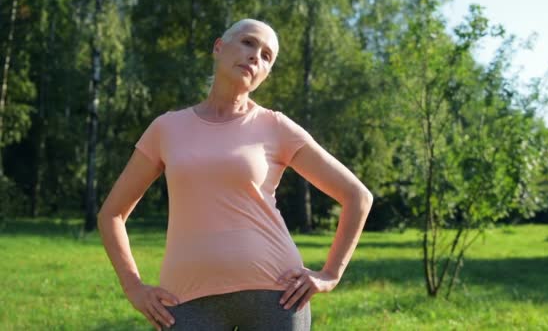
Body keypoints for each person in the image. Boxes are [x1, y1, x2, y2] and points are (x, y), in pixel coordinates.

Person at [97, 18, 373, 331]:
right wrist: (134, 287)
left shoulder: (275, 126)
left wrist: (330, 274)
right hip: (185, 301)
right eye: (248, 43)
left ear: (265, 74)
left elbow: (358, 197)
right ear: (218, 47)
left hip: (276, 297)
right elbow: (112, 214)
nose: (256, 55)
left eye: (267, 56)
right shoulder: (166, 128)